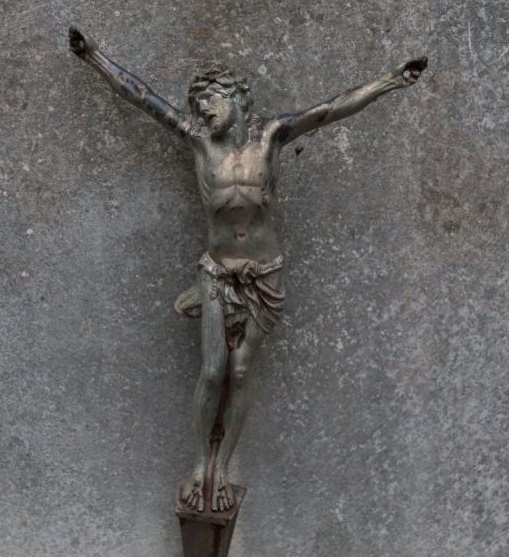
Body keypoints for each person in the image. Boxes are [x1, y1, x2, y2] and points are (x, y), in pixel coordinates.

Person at [69, 26, 427, 512]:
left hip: (264, 273)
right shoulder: (199, 141)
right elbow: (140, 95)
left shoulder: (272, 137)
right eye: (198, 106)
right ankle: (201, 465)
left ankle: (223, 467)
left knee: (239, 372)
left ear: (235, 98)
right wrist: (94, 56)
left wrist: (390, 81)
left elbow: (330, 109)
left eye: (210, 102)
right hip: (217, 273)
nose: (203, 112)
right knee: (212, 369)